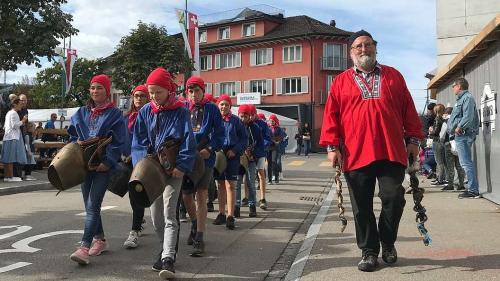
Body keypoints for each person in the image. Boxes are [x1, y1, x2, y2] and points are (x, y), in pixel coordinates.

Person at [319, 30, 423, 272]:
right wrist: (332, 146)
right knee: (361, 205)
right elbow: (331, 116)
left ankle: (387, 242)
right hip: (355, 152)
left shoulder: (394, 76)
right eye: (358, 46)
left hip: (391, 150)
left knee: (394, 197)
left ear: (375, 48)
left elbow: (409, 109)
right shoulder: (341, 82)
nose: (363, 49)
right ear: (351, 52)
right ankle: (368, 251)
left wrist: (414, 140)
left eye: (368, 45)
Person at [132, 67, 196, 278]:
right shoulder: (145, 111)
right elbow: (138, 141)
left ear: (169, 90)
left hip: (175, 169)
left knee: (169, 212)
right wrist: (140, 166)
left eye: (158, 92)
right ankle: (164, 249)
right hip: (153, 169)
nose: (153, 97)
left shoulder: (181, 111)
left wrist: (183, 166)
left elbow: (188, 141)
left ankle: (169, 258)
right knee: (155, 215)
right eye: (151, 92)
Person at [68, 74, 127, 265]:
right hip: (84, 165)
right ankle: (100, 240)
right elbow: (72, 135)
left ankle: (84, 247)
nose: (95, 91)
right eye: (93, 87)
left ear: (107, 91)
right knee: (89, 205)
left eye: (100, 88)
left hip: (102, 166)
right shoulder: (81, 112)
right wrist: (75, 143)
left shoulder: (115, 114)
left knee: (93, 205)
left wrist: (108, 162)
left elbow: (119, 141)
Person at [183, 76, 224, 257]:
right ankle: (194, 222)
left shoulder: (212, 109)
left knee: (201, 195)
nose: (193, 95)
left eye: (197, 91)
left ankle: (200, 237)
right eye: (190, 91)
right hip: (186, 158)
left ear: (203, 90)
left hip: (205, 158)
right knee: (185, 196)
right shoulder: (183, 108)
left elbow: (220, 134)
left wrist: (210, 148)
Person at [213, 94, 247, 230]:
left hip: (232, 155)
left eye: (226, 104)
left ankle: (230, 216)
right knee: (220, 185)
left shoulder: (236, 121)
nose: (224, 107)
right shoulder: (215, 120)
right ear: (218, 106)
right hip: (219, 154)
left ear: (230, 106)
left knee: (230, 185)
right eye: (221, 104)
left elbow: (244, 139)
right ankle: (221, 213)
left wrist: (236, 150)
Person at [123, 84, 149, 249]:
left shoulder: (150, 116)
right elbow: (121, 137)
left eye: (142, 96)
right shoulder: (127, 117)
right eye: (136, 96)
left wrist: (136, 154)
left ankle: (134, 231)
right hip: (126, 161)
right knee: (133, 197)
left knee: (137, 195)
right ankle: (139, 220)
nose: (139, 99)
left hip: (142, 161)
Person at [448, 77, 480, 199]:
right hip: (461, 134)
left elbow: (468, 116)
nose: (453, 88)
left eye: (454, 86)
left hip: (464, 134)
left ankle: (473, 190)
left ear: (459, 86)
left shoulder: (467, 98)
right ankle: (471, 189)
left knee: (466, 163)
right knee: (465, 162)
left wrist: (459, 127)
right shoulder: (462, 99)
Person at [235, 104, 264, 218]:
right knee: (237, 183)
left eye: (245, 116)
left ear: (249, 116)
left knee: (251, 183)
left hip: (251, 160)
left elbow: (260, 144)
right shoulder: (236, 126)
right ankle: (236, 206)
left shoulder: (255, 128)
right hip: (238, 159)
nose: (243, 119)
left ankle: (252, 206)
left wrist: (255, 155)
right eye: (241, 116)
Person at [1, 96, 28, 182]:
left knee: (7, 158)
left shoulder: (9, 113)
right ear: (15, 105)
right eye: (20, 104)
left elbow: (6, 126)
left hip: (8, 137)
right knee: (10, 158)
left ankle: (7, 177)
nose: (21, 106)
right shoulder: (13, 113)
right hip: (12, 137)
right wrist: (23, 120)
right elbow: (14, 125)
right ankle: (11, 177)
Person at [440, 106, 466, 191]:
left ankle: (450, 184)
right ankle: (461, 184)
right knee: (459, 165)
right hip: (458, 143)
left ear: (446, 113)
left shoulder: (446, 121)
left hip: (448, 144)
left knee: (450, 165)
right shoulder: (459, 120)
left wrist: (442, 142)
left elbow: (442, 135)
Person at [254, 112, 271, 208]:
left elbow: (267, 138)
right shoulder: (244, 123)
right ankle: (247, 198)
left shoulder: (263, 124)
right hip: (249, 154)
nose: (251, 116)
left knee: (261, 174)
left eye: (253, 114)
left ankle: (262, 198)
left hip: (260, 153)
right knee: (248, 176)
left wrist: (260, 146)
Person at [428, 104, 447, 186]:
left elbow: (436, 132)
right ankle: (442, 178)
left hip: (437, 141)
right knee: (443, 161)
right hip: (442, 142)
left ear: (436, 110)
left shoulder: (437, 119)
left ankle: (440, 180)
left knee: (439, 161)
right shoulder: (443, 119)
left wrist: (430, 132)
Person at [267, 114, 284, 185]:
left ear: (275, 121)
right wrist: (272, 140)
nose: (271, 122)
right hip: (268, 147)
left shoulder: (278, 128)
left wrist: (277, 141)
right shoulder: (267, 128)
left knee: (274, 162)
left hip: (275, 148)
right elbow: (267, 136)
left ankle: (276, 177)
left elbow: (281, 136)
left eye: (273, 121)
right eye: (270, 121)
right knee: (269, 164)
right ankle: (270, 180)